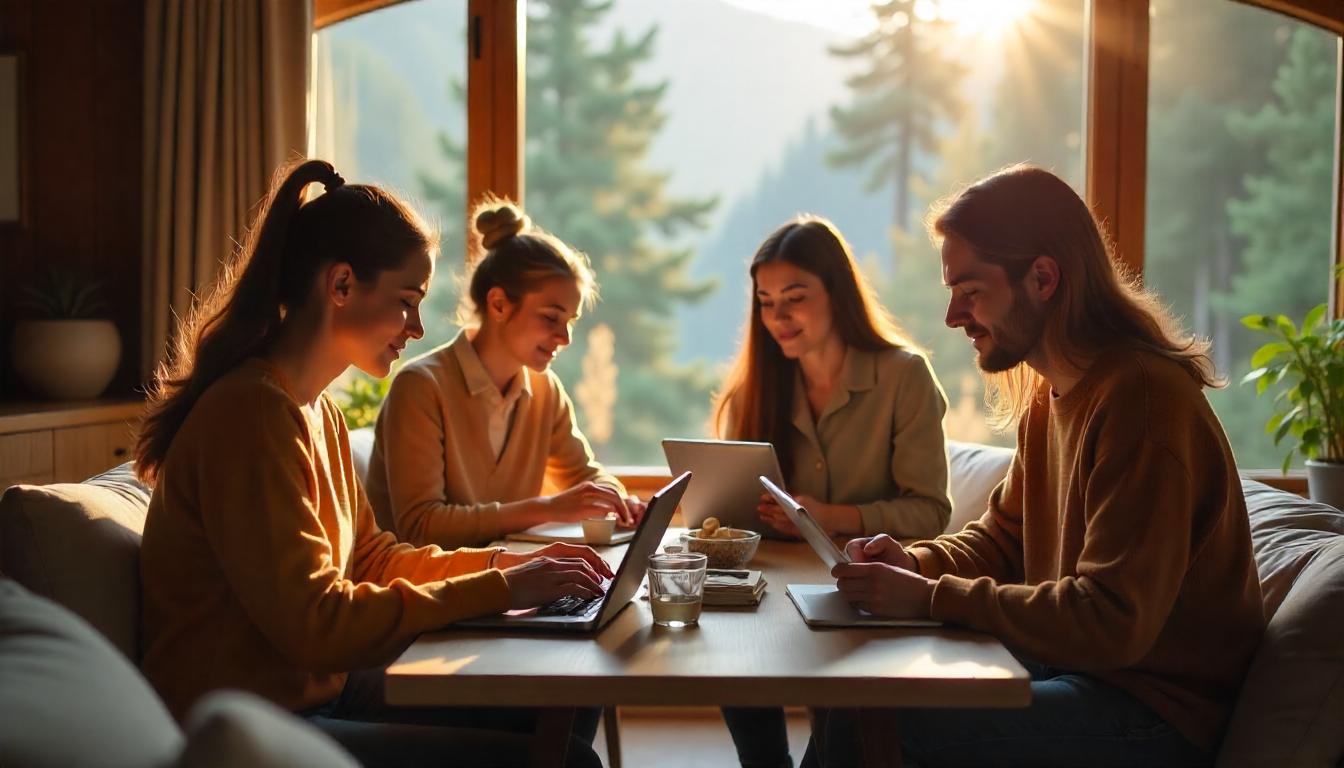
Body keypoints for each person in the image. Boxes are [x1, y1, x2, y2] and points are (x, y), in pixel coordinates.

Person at [136, 159, 609, 768]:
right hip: (257, 723)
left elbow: (373, 558)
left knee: (567, 693)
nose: (416, 328)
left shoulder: (317, 413)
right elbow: (317, 622)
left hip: (324, 689)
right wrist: (501, 587)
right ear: (340, 286)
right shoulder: (252, 412)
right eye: (406, 302)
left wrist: (513, 564)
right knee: (569, 759)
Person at [807, 165, 1265, 767]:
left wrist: (929, 598)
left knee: (887, 716)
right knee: (861, 688)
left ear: (1043, 278)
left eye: (970, 292)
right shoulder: (1050, 397)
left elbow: (1109, 619)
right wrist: (914, 560)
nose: (952, 316)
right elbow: (1004, 539)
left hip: (1152, 711)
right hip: (1078, 671)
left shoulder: (1142, 401)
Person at [712, 215, 954, 768]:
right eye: (766, 302)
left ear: (837, 293)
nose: (778, 317)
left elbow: (930, 513)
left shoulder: (904, 376)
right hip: (774, 590)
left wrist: (827, 515)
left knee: (840, 738)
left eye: (795, 298)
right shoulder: (755, 390)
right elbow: (732, 509)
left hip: (864, 590)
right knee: (726, 638)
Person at [365, 199, 645, 550]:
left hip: (503, 582)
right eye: (550, 317)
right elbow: (422, 527)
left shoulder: (545, 391)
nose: (565, 337)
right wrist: (549, 507)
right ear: (498, 304)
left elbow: (583, 474)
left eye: (570, 321)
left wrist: (618, 499)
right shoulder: (421, 387)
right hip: (424, 592)